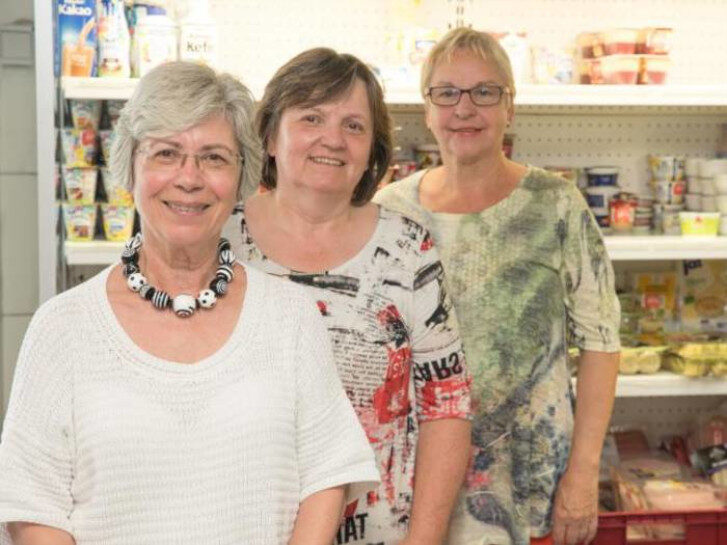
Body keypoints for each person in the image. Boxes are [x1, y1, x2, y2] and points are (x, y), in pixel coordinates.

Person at [0, 61, 379, 545]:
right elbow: (32, 504)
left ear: (242, 174)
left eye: (214, 158)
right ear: (130, 167)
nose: (189, 178)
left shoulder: (290, 317)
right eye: (166, 153)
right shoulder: (62, 327)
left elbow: (328, 474)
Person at [375, 28, 621, 545]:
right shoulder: (389, 210)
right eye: (447, 93)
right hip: (419, 482)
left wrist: (583, 473)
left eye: (485, 92)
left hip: (533, 482)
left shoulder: (557, 205)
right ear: (427, 109)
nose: (465, 108)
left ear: (510, 106)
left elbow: (601, 342)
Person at [224, 48, 472, 545]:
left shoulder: (408, 249)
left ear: (372, 151)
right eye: (311, 117)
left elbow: (446, 406)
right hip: (240, 525)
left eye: (354, 126)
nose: (333, 139)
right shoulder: (220, 242)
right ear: (271, 135)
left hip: (381, 532)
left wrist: (423, 540)